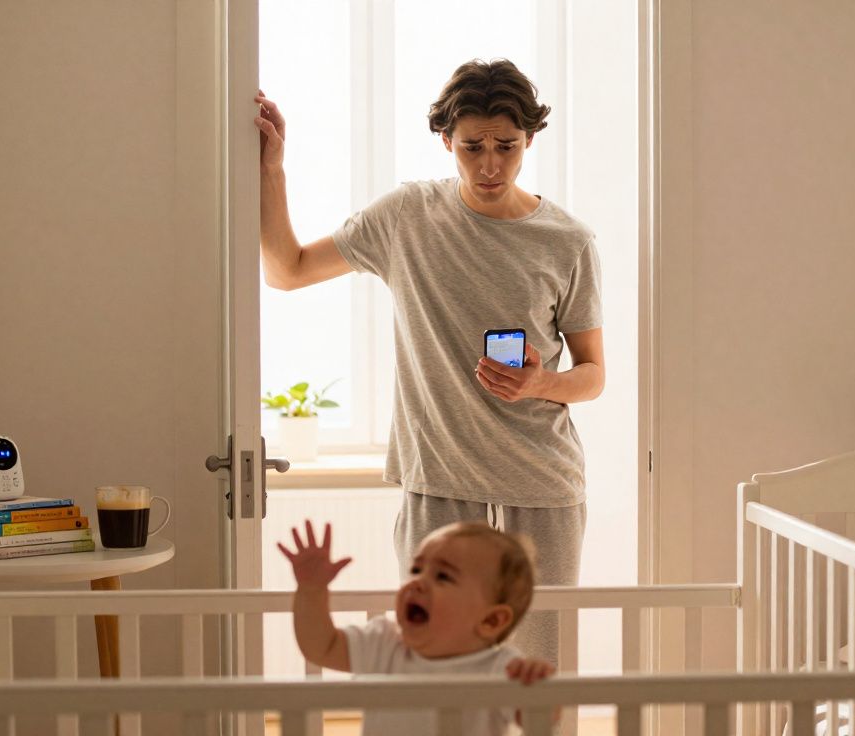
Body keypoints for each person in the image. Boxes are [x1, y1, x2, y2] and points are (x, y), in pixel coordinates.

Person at [256, 58, 604, 663]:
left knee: (540, 677)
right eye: (473, 147)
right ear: (446, 140)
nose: (490, 164)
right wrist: (273, 170)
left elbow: (594, 376)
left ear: (530, 139)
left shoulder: (567, 240)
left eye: (507, 145)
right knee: (428, 662)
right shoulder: (406, 217)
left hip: (542, 486)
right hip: (438, 486)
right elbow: (286, 270)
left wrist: (540, 383)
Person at [277, 520, 556, 735]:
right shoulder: (384, 643)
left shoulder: (501, 668)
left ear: (491, 621)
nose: (417, 582)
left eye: (443, 576)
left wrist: (539, 688)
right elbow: (321, 647)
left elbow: (539, 718)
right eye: (416, 569)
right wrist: (311, 591)